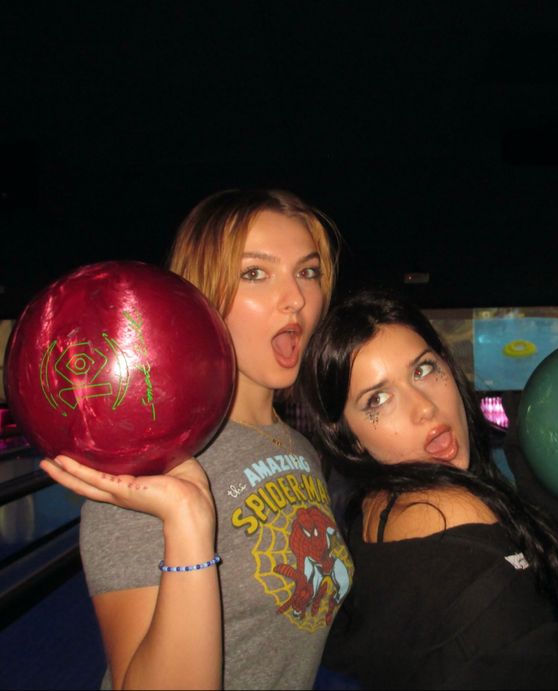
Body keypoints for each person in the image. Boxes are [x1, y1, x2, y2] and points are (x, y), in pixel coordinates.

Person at [298, 290, 558, 690]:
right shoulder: (450, 518)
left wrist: (537, 469)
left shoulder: (377, 508)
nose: (424, 407)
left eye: (423, 369)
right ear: (350, 438)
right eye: (378, 398)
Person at [40, 189, 353, 690]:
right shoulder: (153, 464)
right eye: (255, 273)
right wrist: (186, 521)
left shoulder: (299, 449)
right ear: (200, 294)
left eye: (308, 271)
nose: (296, 296)